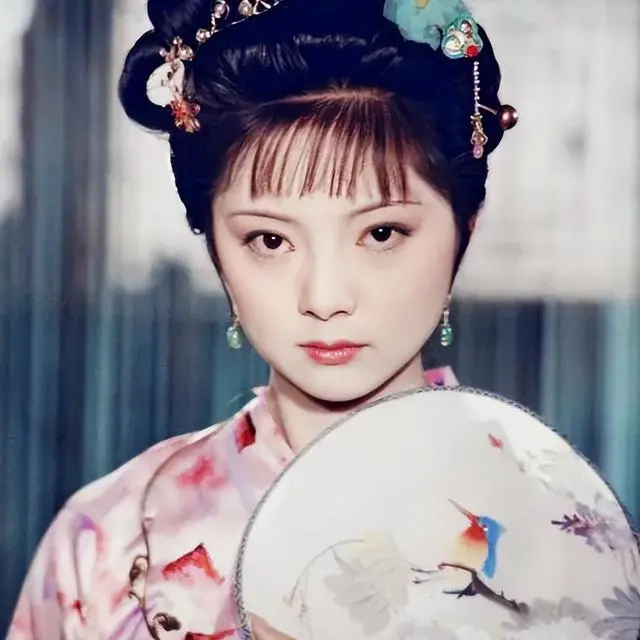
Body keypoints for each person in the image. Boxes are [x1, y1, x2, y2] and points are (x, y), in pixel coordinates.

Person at [7, 0, 519, 637]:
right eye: (271, 241)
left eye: (382, 233)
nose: (325, 297)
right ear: (216, 250)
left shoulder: (558, 523)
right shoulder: (106, 540)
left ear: (463, 232)